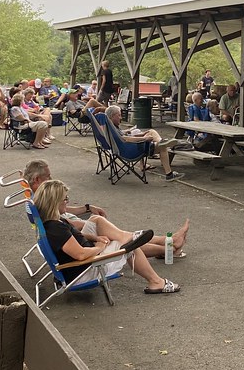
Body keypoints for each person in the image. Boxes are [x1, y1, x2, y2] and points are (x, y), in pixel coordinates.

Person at [33, 179, 180, 294]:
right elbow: (80, 254)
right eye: (65, 199)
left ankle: (128, 237)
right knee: (130, 247)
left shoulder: (52, 221)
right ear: (54, 202)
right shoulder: (56, 228)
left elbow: (71, 238)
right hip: (85, 271)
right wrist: (100, 247)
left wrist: (95, 238)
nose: (68, 201)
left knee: (96, 220)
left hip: (81, 263)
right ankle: (156, 282)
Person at [23, 160, 190, 260]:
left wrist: (87, 208)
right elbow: (64, 223)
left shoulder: (36, 197)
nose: (51, 179)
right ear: (38, 179)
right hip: (74, 237)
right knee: (122, 241)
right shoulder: (46, 197)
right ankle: (170, 246)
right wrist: (97, 242)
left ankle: (170, 245)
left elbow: (62, 214)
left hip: (71, 232)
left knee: (117, 235)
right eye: (48, 177)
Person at [105, 104, 184, 180]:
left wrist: (142, 135)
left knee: (150, 131)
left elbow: (124, 138)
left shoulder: (110, 127)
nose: (121, 117)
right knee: (162, 147)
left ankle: (161, 141)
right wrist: (144, 138)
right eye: (119, 115)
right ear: (112, 116)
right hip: (133, 150)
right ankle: (169, 174)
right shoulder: (113, 129)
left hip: (126, 149)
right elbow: (125, 139)